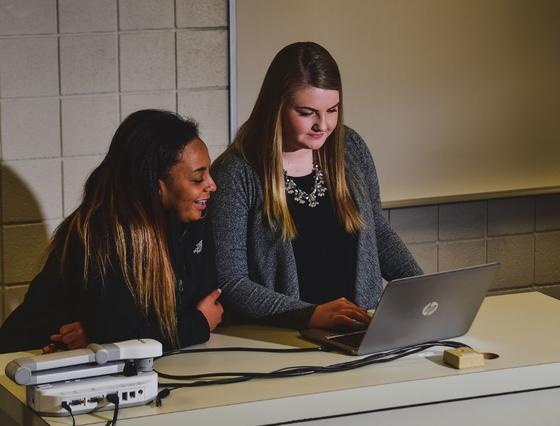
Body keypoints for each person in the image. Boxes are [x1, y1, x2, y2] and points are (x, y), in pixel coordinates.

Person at [210, 42, 422, 330]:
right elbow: (231, 281)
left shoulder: (351, 148)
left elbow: (379, 235)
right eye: (307, 112)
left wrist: (423, 290)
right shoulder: (237, 172)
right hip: (284, 338)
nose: (323, 125)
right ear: (277, 107)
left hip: (359, 331)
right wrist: (309, 314)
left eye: (332, 110)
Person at [0, 109, 223, 353]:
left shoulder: (191, 220)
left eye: (208, 173)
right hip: (24, 362)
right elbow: (122, 334)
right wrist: (197, 324)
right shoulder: (102, 234)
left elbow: (206, 301)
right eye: (197, 179)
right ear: (155, 185)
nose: (212, 186)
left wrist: (107, 333)